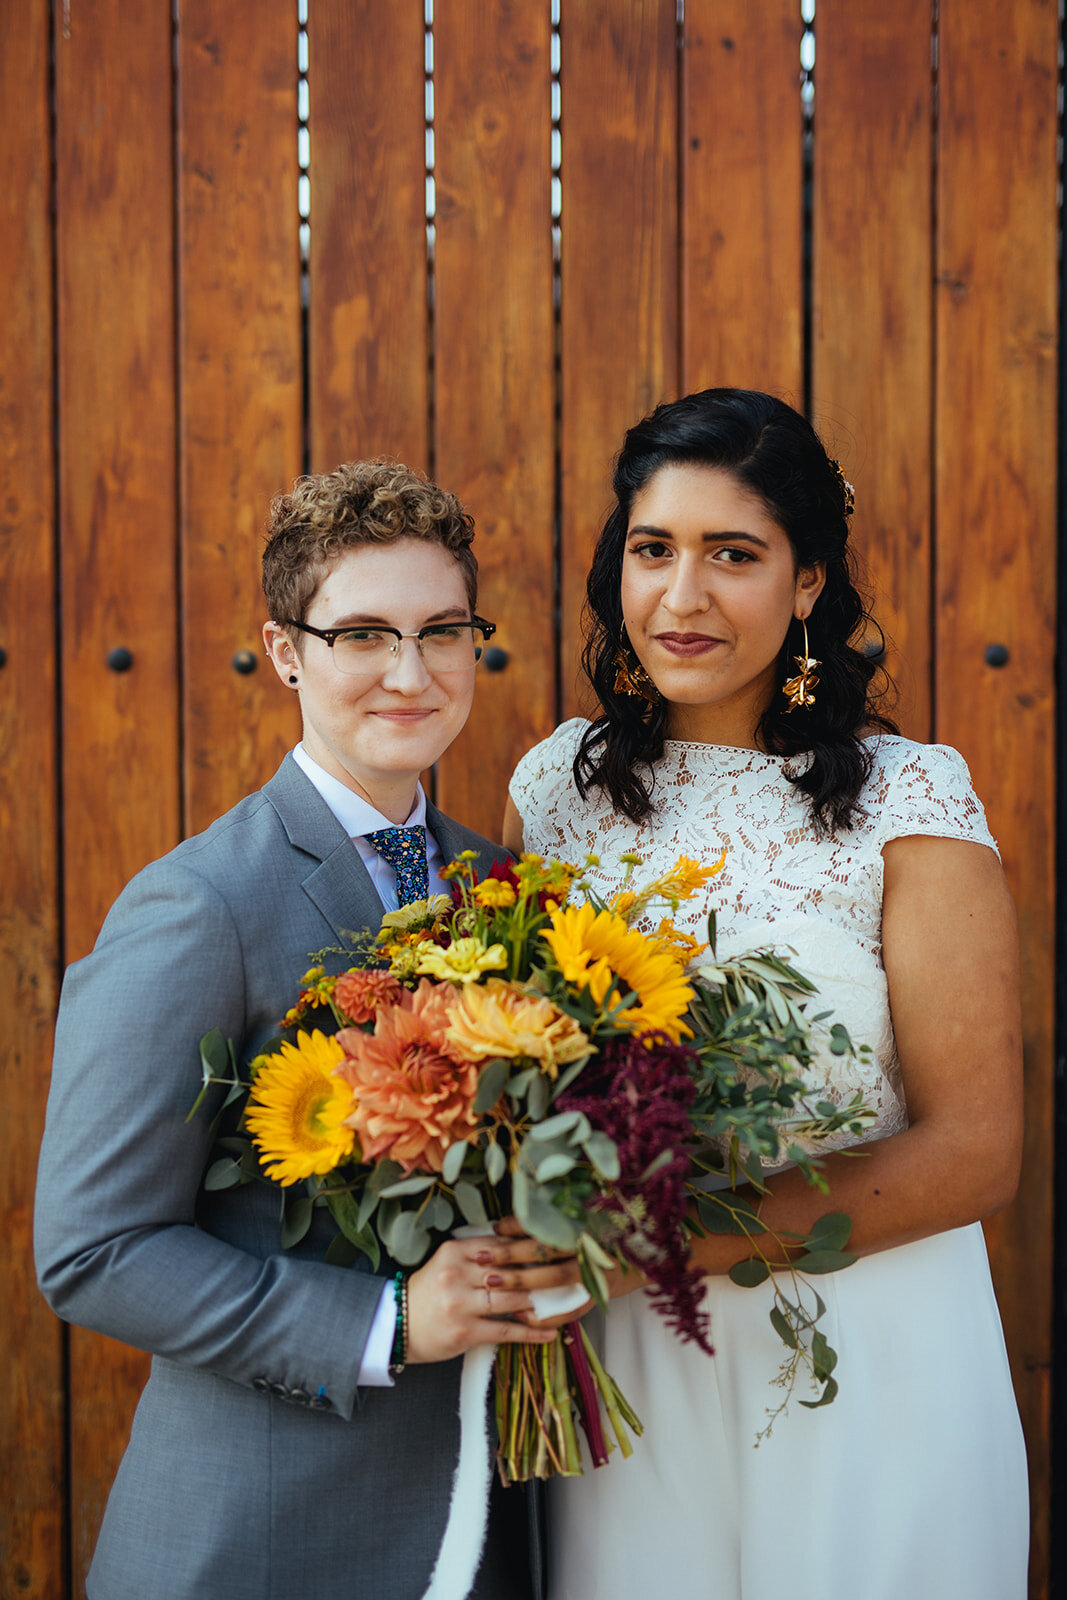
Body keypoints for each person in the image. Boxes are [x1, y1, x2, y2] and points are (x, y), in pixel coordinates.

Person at [504, 390, 1028, 1600]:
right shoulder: (555, 793)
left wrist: (655, 1245)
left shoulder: (911, 802)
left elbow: (975, 1151)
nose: (679, 598)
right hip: (631, 1359)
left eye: (730, 555)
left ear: (805, 585)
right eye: (652, 550)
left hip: (865, 1346)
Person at [36, 459, 577, 1600]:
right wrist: (387, 1320)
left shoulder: (504, 884)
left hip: (488, 1528)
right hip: (267, 1539)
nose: (411, 673)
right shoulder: (197, 905)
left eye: (442, 631)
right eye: (363, 634)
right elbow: (92, 1251)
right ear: (286, 650)